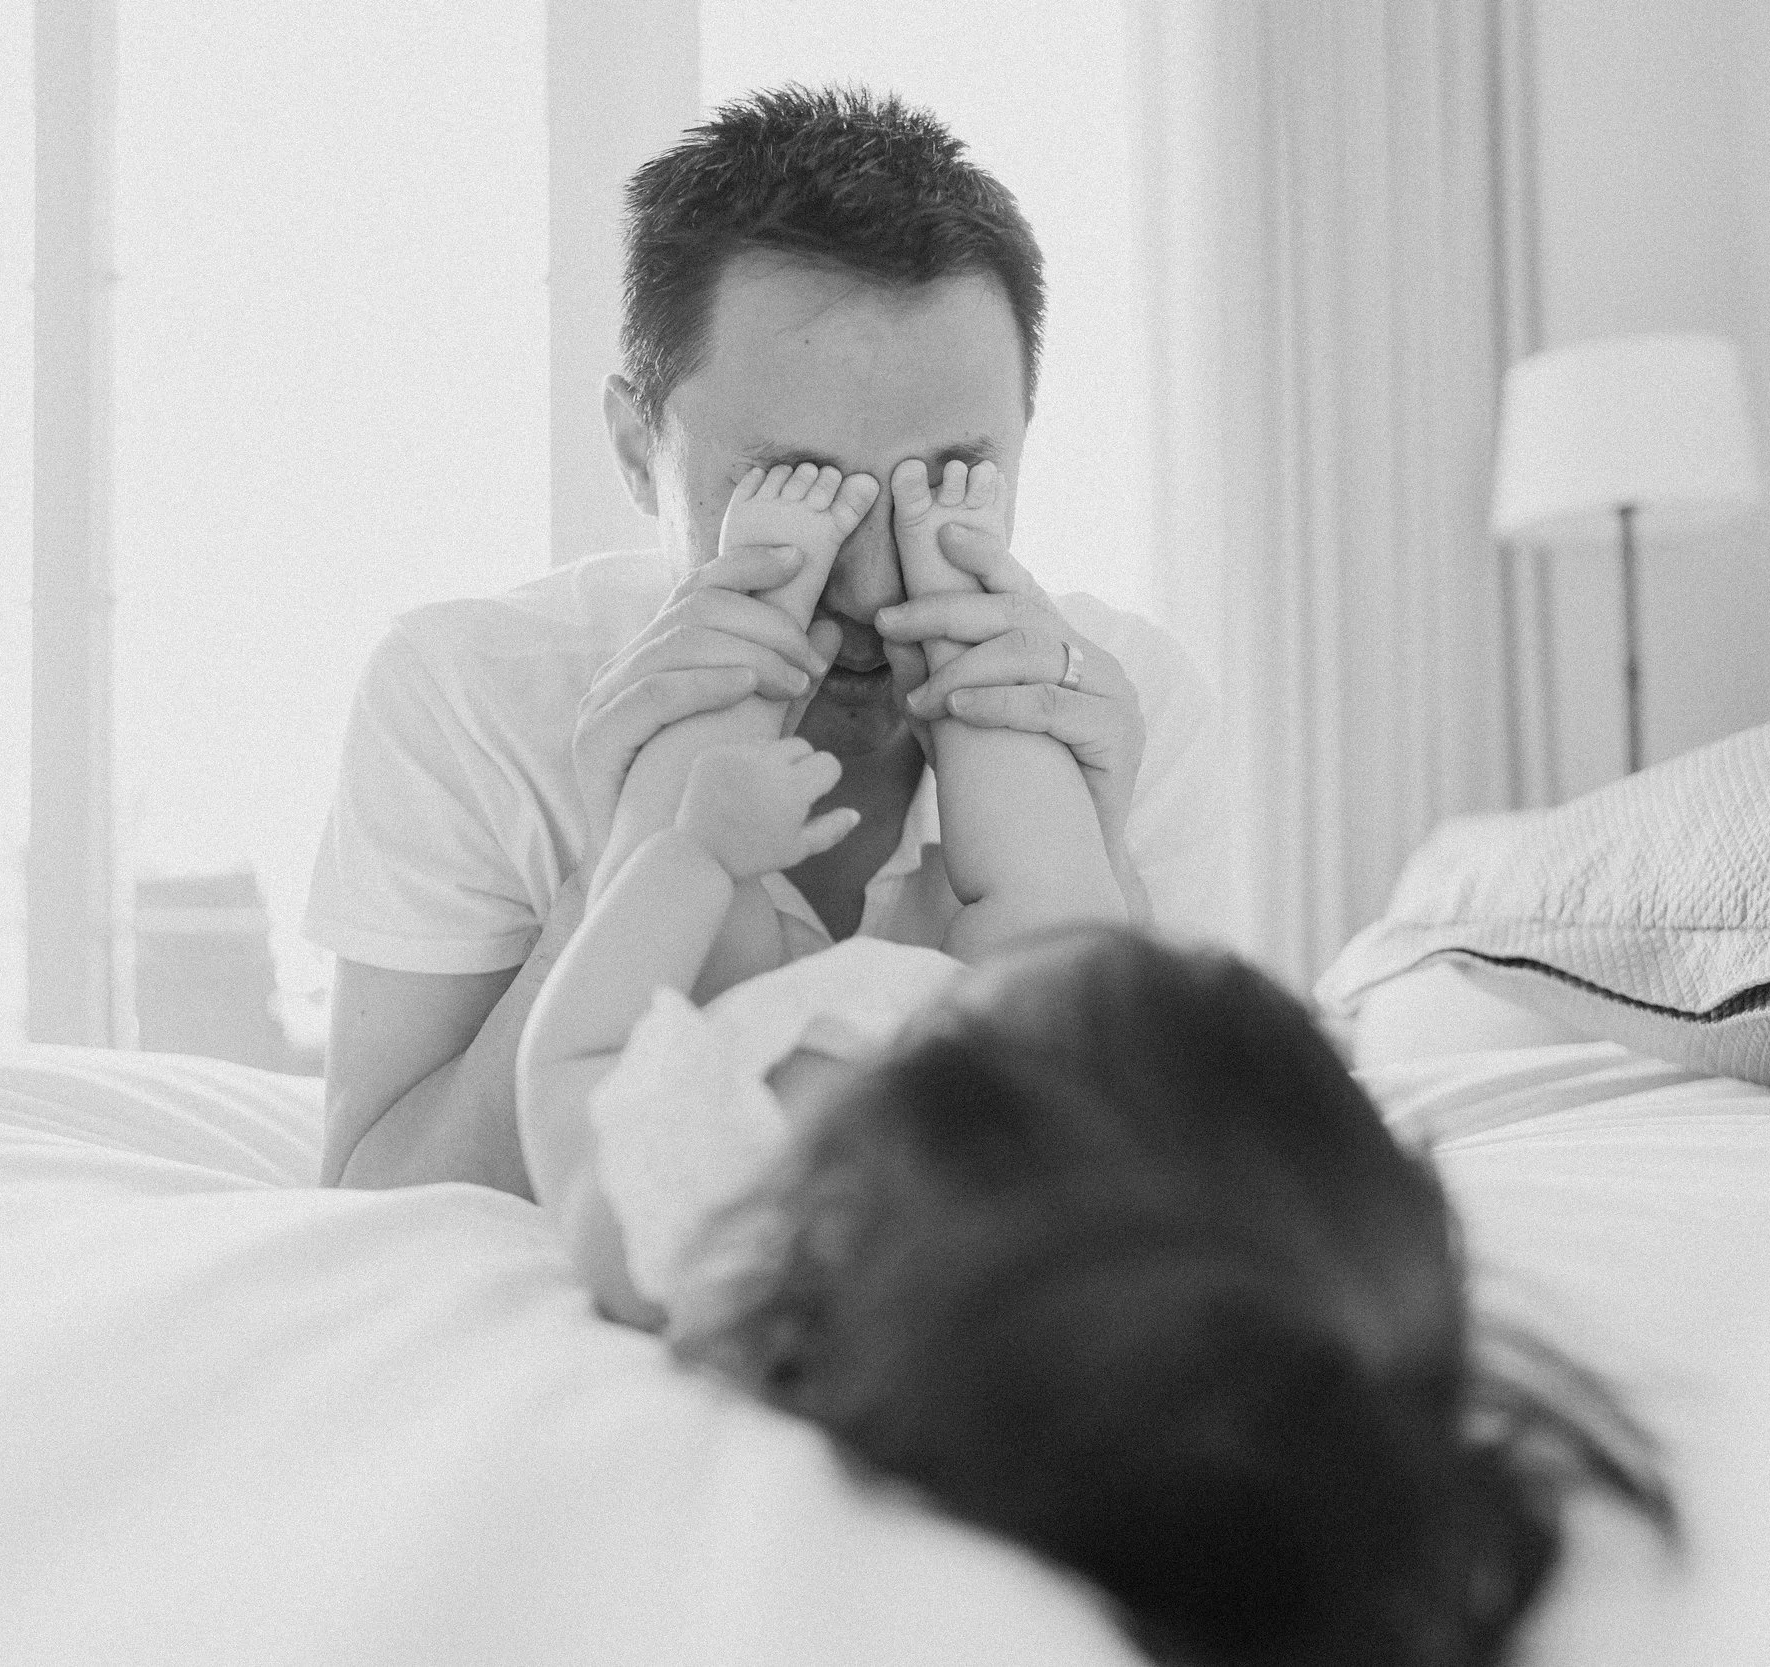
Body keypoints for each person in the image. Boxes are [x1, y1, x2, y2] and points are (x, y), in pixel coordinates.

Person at [514, 634, 1670, 1667]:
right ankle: (972, 639)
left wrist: (687, 852)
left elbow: (572, 1062)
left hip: (759, 1016)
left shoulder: (741, 1223)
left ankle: (859, 627)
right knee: (1038, 894)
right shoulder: (1098, 1265)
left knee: (787, 909)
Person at [306, 84, 1227, 1193]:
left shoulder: (1110, 700)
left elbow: (1168, 1184)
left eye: (948, 485)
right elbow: (374, 1193)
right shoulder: (463, 692)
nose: (877, 580)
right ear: (633, 445)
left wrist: (1101, 858)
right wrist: (617, 878)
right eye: (793, 491)